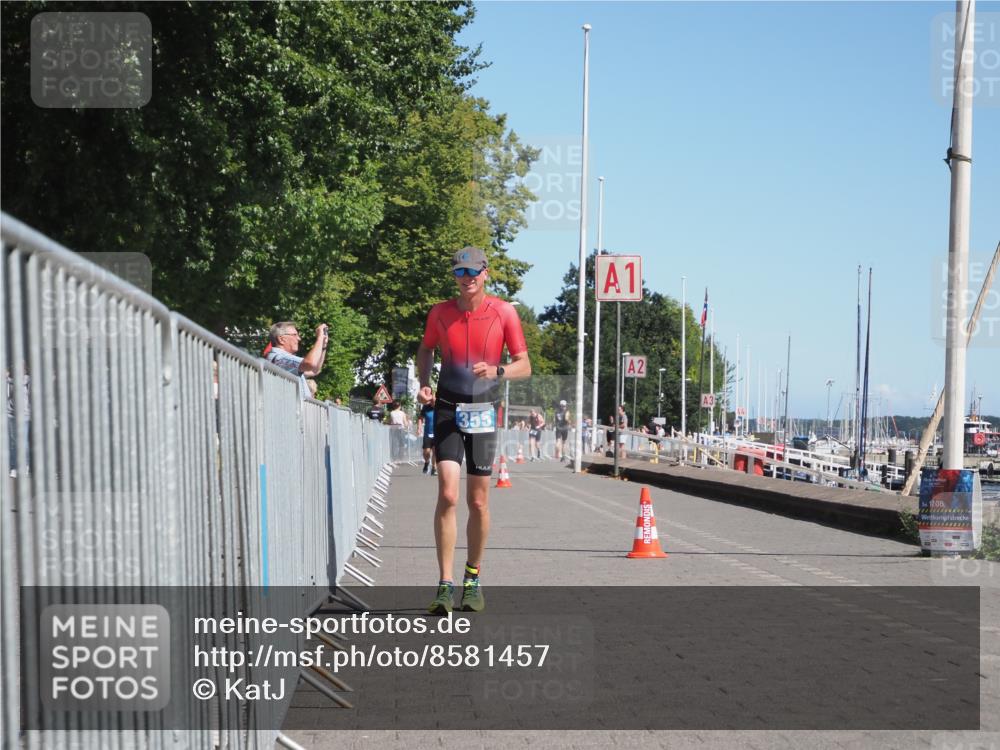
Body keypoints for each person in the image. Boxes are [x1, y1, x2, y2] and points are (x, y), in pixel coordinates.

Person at [417, 246, 530, 614]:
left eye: (472, 273)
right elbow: (426, 350)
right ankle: (444, 585)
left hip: (483, 412)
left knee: (478, 501)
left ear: (485, 273)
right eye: (459, 273)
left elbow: (523, 364)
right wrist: (423, 382)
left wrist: (497, 371)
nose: (466, 280)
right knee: (448, 495)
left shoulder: (504, 312)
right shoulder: (440, 313)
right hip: (448, 409)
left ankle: (472, 578)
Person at [266, 321, 329, 398]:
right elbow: (310, 363)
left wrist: (323, 346)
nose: (299, 338)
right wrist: (319, 338)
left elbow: (314, 370)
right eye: (295, 335)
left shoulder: (284, 360)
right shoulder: (279, 359)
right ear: (281, 339)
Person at [420, 402, 437, 475]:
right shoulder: (426, 407)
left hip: (437, 433)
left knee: (435, 452)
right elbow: (420, 418)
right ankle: (427, 462)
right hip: (428, 433)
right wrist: (419, 427)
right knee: (426, 452)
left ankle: (434, 468)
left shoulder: (440, 407)